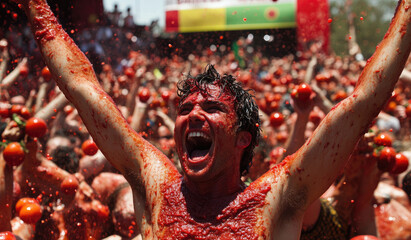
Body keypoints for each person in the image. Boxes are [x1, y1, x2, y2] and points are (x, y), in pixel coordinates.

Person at [12, 0, 411, 239]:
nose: (194, 114)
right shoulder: (156, 187)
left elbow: (362, 101)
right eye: (184, 110)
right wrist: (34, 6)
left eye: (212, 109)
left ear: (243, 139)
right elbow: (83, 87)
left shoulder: (276, 199)